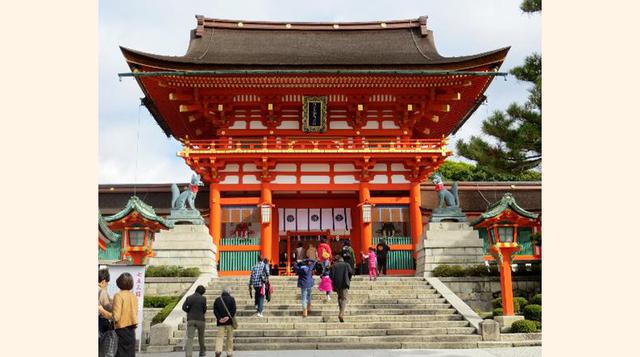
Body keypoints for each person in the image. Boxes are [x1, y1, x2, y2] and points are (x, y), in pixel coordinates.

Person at [112, 273, 138, 357]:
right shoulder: (133, 296)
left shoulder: (118, 295)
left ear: (119, 282)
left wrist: (103, 311)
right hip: (131, 331)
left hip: (121, 331)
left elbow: (116, 317)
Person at [182, 285, 207, 357]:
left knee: (190, 338)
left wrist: (189, 311)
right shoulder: (203, 298)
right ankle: (202, 352)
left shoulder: (189, 297)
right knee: (201, 337)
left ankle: (188, 354)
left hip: (191, 320)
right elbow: (204, 309)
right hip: (201, 320)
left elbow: (183, 307)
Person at [213, 287, 237, 357]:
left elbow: (215, 310)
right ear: (229, 292)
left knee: (219, 337)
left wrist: (219, 318)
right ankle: (229, 353)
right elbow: (234, 310)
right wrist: (228, 317)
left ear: (222, 292)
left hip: (221, 323)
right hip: (229, 322)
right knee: (229, 338)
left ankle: (218, 351)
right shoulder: (232, 299)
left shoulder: (217, 299)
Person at [329, 255, 353, 323]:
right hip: (345, 283)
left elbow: (331, 276)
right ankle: (341, 313)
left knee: (340, 297)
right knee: (344, 298)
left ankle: (340, 310)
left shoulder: (334, 265)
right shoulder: (346, 264)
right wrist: (349, 278)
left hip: (336, 284)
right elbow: (351, 272)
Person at [98, 269, 116, 357]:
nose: (107, 284)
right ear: (103, 281)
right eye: (107, 282)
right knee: (102, 348)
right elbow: (107, 307)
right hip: (101, 322)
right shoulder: (102, 291)